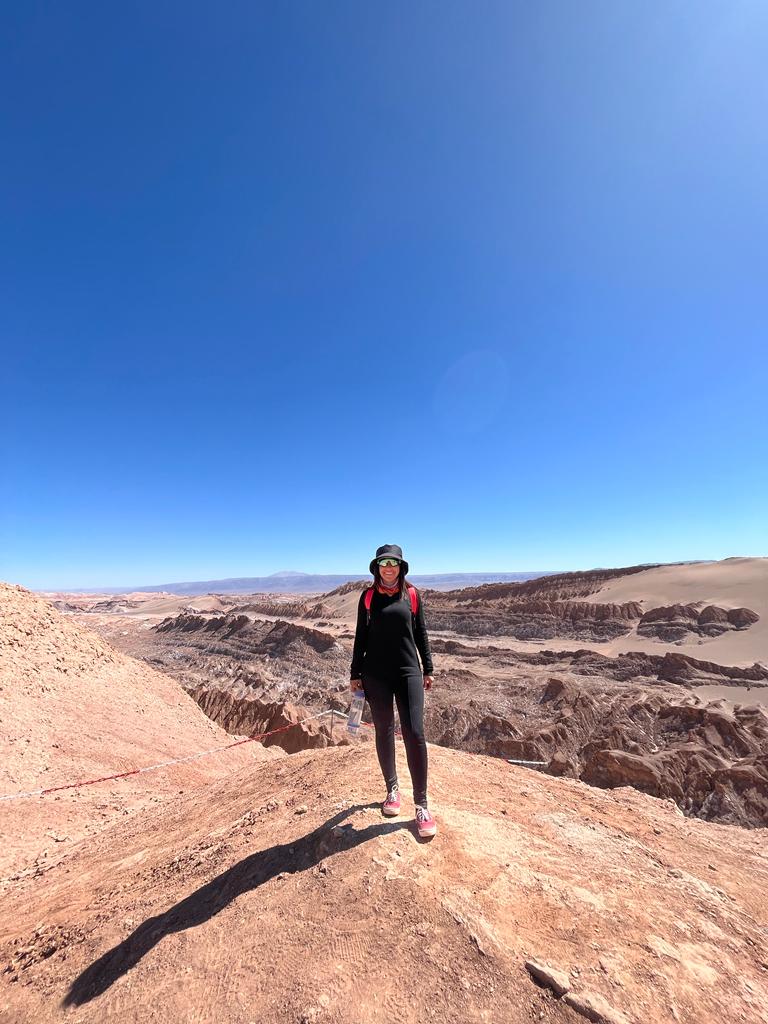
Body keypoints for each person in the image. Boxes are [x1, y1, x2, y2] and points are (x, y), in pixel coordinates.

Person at [350, 543, 437, 838]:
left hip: (408, 671)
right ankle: (392, 789)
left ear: (401, 567)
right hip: (375, 674)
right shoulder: (368, 597)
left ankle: (422, 804)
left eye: (394, 563)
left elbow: (421, 632)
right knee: (384, 730)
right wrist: (354, 673)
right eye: (384, 563)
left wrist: (428, 667)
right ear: (377, 567)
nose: (389, 568)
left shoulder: (412, 595)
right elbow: (361, 636)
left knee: (415, 732)